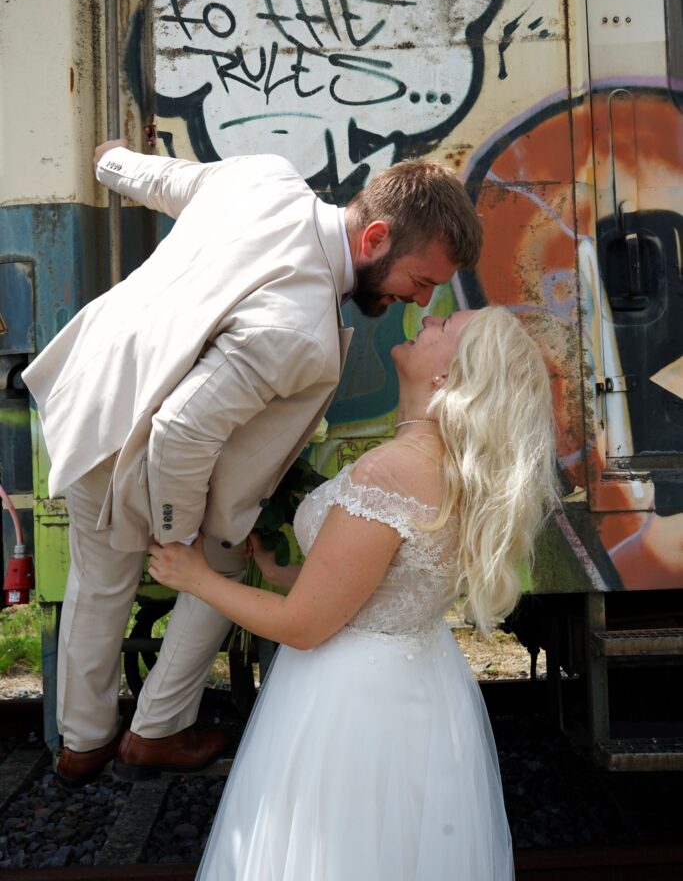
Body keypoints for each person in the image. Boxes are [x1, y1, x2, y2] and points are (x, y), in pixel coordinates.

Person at [22, 143, 482, 786]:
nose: (423, 302)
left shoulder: (263, 177)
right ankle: (155, 734)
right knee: (219, 565)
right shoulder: (299, 327)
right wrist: (181, 535)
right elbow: (181, 429)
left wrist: (110, 161)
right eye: (422, 281)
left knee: (99, 584)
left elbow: (167, 180)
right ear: (375, 238)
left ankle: (82, 745)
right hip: (148, 441)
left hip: (95, 400)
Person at [148, 305, 558, 881]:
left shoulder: (391, 472)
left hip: (350, 706)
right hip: (419, 687)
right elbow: (375, 588)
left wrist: (197, 577)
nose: (429, 321)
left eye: (445, 328)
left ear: (449, 376)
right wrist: (282, 572)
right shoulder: (455, 468)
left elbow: (303, 626)